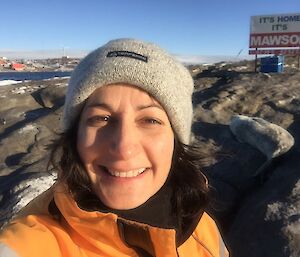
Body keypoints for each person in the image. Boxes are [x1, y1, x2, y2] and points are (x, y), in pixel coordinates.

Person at [0, 38, 228, 257]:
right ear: (74, 137)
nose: (123, 147)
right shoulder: (29, 244)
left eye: (150, 120)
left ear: (176, 141)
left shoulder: (202, 230)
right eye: (102, 118)